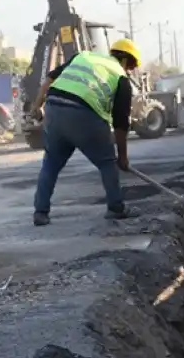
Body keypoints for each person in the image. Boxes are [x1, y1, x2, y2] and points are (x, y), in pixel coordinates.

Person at [29, 38, 142, 226]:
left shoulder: (83, 56)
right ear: (125, 61)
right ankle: (116, 208)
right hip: (84, 114)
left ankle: (40, 212)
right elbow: (121, 123)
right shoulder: (120, 77)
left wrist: (37, 105)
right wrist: (122, 157)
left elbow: (50, 77)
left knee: (51, 163)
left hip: (54, 109)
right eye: (130, 67)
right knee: (107, 163)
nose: (128, 71)